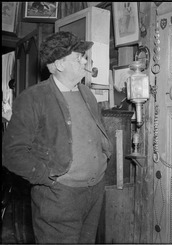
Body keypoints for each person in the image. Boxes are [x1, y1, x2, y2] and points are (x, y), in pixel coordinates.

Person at [2, 31, 112, 243]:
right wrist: (47, 178)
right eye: (78, 56)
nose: (85, 60)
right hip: (60, 197)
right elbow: (12, 153)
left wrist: (105, 155)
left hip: (95, 190)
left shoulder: (86, 93)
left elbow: (96, 132)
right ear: (60, 64)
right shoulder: (33, 98)